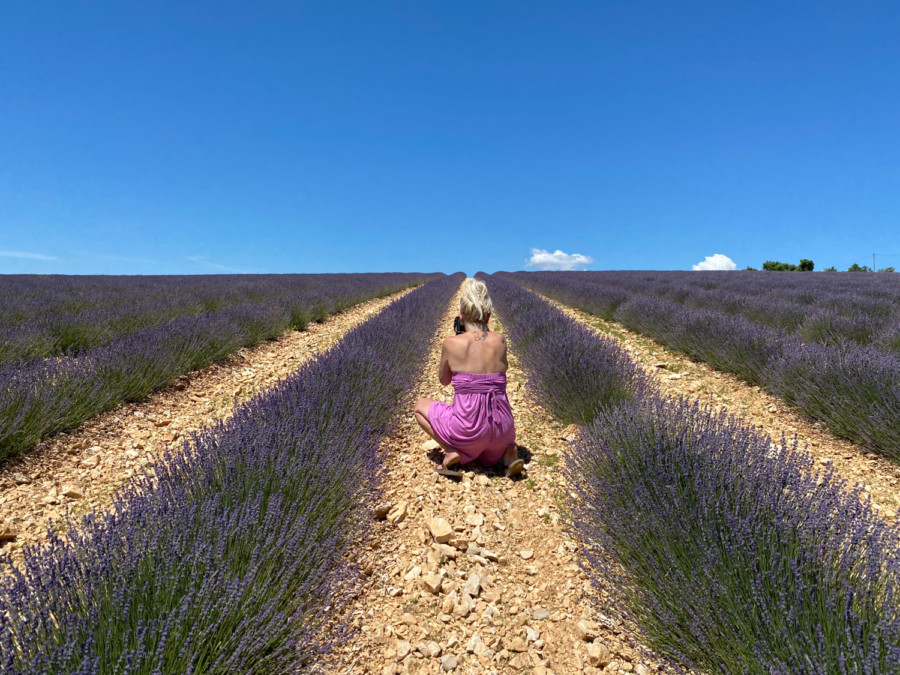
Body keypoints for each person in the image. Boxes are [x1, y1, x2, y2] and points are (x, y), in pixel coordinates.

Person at [413, 278, 524, 478]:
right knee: (489, 448)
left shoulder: (451, 343)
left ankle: (451, 449)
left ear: (460, 316)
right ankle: (506, 454)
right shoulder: (500, 341)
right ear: (489, 315)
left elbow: (444, 380)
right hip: (502, 430)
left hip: (467, 431)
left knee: (420, 406)